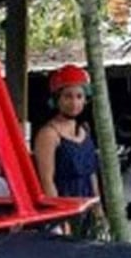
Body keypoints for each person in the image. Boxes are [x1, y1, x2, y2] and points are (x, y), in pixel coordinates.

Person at [33, 64, 99, 198]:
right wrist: (61, 216)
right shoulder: (49, 134)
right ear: (57, 99)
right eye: (68, 96)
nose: (74, 103)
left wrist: (98, 209)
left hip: (86, 207)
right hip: (65, 207)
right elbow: (47, 181)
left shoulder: (84, 130)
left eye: (79, 96)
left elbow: (91, 175)